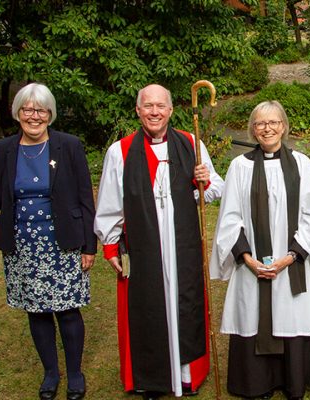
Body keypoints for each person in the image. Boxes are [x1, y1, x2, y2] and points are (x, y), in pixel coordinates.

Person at [0, 83, 96, 400]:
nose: (33, 116)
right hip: (23, 243)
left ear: (50, 114)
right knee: (35, 311)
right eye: (27, 109)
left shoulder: (69, 145)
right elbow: (2, 198)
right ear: (17, 112)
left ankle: (75, 373)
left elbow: (85, 199)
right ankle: (51, 373)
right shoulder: (4, 149)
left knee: (67, 309)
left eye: (40, 110)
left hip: (62, 241)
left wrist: (89, 245)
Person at [94, 84, 224, 399]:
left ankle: (186, 375)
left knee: (185, 303)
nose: (155, 112)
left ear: (170, 110)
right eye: (148, 106)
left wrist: (203, 180)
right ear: (138, 110)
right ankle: (152, 379)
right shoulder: (120, 151)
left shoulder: (190, 143)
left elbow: (215, 189)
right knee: (148, 307)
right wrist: (111, 245)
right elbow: (110, 203)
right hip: (143, 244)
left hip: (182, 244)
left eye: (161, 106)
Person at [210, 101, 310, 400]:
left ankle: (293, 383)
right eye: (261, 123)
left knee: (291, 316)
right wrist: (247, 258)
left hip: (292, 264)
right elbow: (230, 217)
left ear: (284, 126)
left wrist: (290, 257)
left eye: (274, 122)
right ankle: (257, 383)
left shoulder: (301, 164)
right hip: (253, 264)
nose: (267, 128)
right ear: (253, 129)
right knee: (254, 315)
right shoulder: (241, 166)